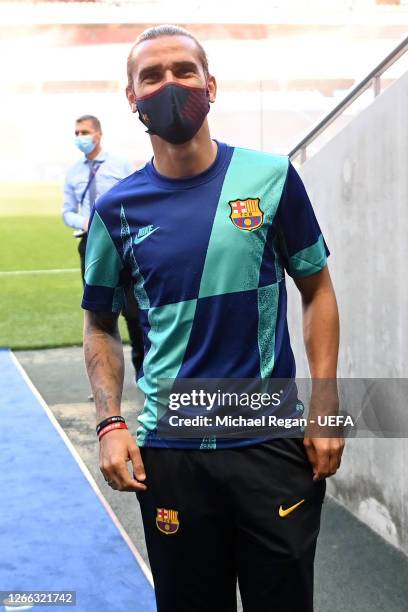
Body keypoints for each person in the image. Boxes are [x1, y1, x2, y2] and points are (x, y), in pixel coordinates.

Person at [82, 25, 345, 612]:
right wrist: (109, 424)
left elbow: (318, 288)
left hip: (271, 441)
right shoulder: (114, 211)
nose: (169, 85)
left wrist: (327, 404)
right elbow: (100, 323)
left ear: (211, 85)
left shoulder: (270, 177)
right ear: (132, 97)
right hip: (171, 452)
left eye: (183, 71)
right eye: (151, 76)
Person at [62, 114, 144, 379]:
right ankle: (102, 378)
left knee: (134, 312)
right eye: (76, 133)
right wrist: (84, 222)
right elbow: (66, 211)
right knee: (98, 315)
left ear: (98, 134)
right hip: (90, 244)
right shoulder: (73, 171)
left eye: (84, 132)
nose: (80, 138)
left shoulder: (120, 165)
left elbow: (138, 197)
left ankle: (144, 373)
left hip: (124, 243)